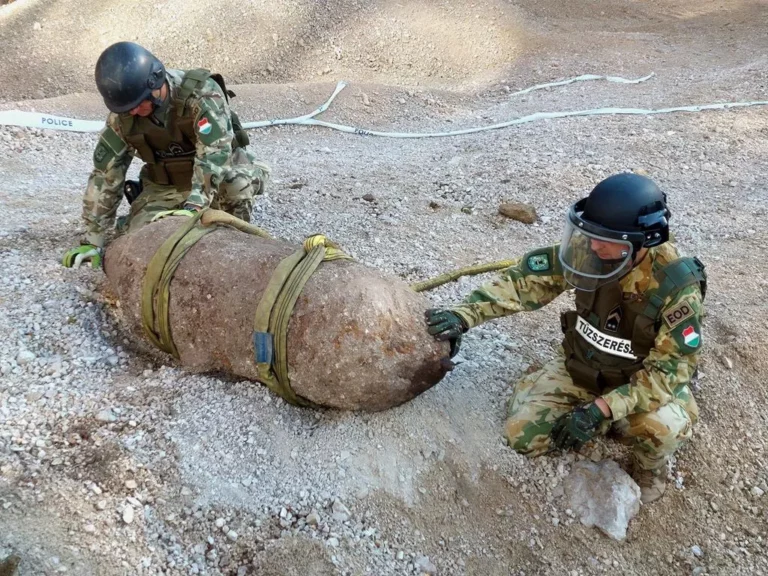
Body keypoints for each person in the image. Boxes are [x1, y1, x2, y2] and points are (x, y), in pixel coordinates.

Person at [425, 173, 706, 503]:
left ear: (639, 242)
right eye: (590, 233)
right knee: (522, 437)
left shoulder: (675, 288)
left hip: (637, 382)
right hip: (581, 366)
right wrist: (464, 315)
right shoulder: (592, 248)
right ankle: (568, 401)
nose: (593, 244)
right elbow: (522, 282)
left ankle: (647, 467)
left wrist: (600, 410)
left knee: (663, 429)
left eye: (606, 239)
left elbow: (666, 374)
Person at [63, 41, 270, 268]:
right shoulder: (122, 117)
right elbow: (106, 175)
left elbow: (214, 155)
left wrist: (194, 207)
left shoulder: (201, 95)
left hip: (217, 179)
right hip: (165, 187)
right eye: (126, 108)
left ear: (155, 82)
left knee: (234, 193)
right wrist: (94, 240)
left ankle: (235, 233)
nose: (132, 111)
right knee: (143, 244)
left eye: (138, 104)